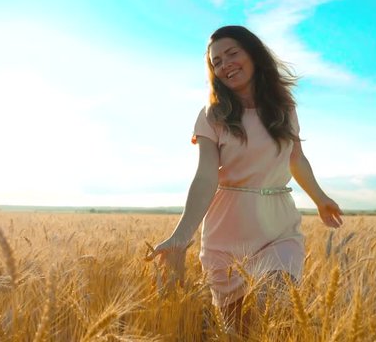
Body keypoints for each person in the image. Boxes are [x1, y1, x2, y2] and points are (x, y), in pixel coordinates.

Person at [145, 25, 344, 335]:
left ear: (253, 53)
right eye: (217, 62)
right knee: (237, 330)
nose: (226, 65)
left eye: (232, 54)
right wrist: (181, 235)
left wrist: (320, 198)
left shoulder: (284, 108)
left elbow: (296, 158)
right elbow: (206, 174)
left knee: (273, 306)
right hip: (227, 229)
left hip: (278, 227)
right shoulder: (212, 116)